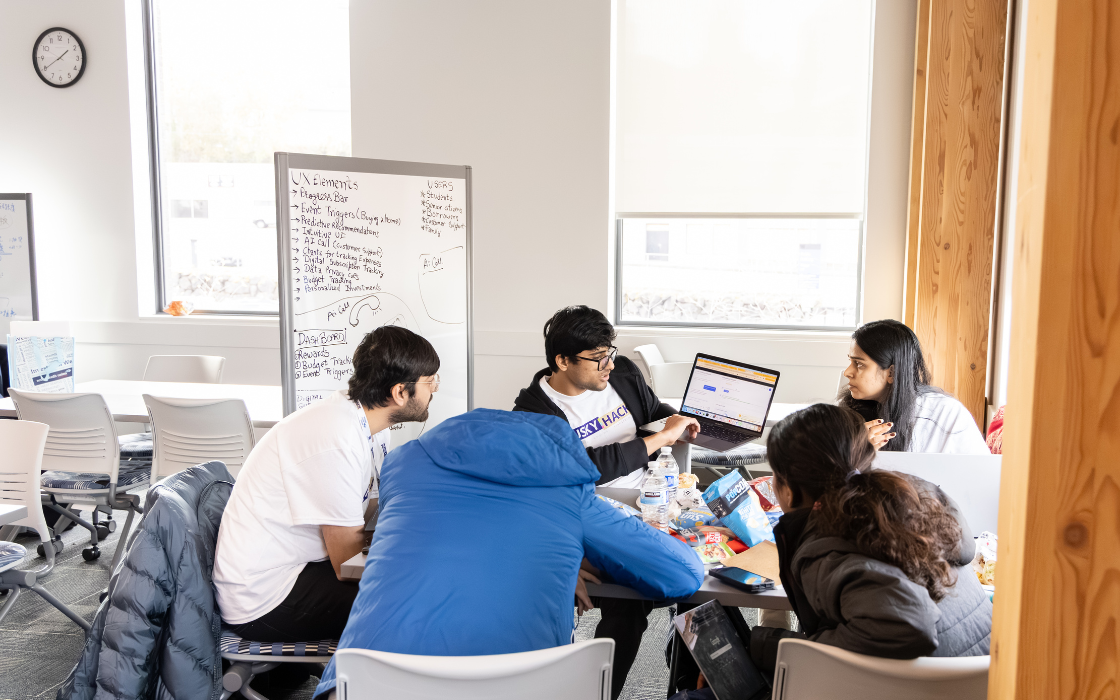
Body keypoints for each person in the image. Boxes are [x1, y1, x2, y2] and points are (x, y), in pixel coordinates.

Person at [312, 408, 705, 699]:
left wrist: (563, 554)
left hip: (367, 681)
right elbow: (681, 575)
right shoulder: (567, 489)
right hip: (512, 685)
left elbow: (464, 534)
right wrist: (577, 554)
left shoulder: (403, 466)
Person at [512, 305, 699, 697]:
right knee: (631, 602)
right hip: (591, 521)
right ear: (562, 361)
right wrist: (659, 439)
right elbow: (584, 467)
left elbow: (651, 412)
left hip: (653, 501)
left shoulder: (624, 373)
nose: (608, 365)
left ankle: (689, 686)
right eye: (597, 359)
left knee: (705, 583)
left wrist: (676, 422)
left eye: (610, 353)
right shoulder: (533, 412)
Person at [213, 326, 440, 642]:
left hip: (299, 566)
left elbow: (373, 515)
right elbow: (347, 563)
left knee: (425, 577)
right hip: (263, 598)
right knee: (415, 605)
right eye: (431, 382)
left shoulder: (370, 423)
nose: (436, 390)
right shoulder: (336, 438)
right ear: (400, 392)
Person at [840, 319, 989, 454]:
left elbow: (979, 473)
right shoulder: (847, 413)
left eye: (859, 364)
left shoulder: (946, 414)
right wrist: (855, 454)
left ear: (892, 372)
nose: (847, 372)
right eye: (850, 362)